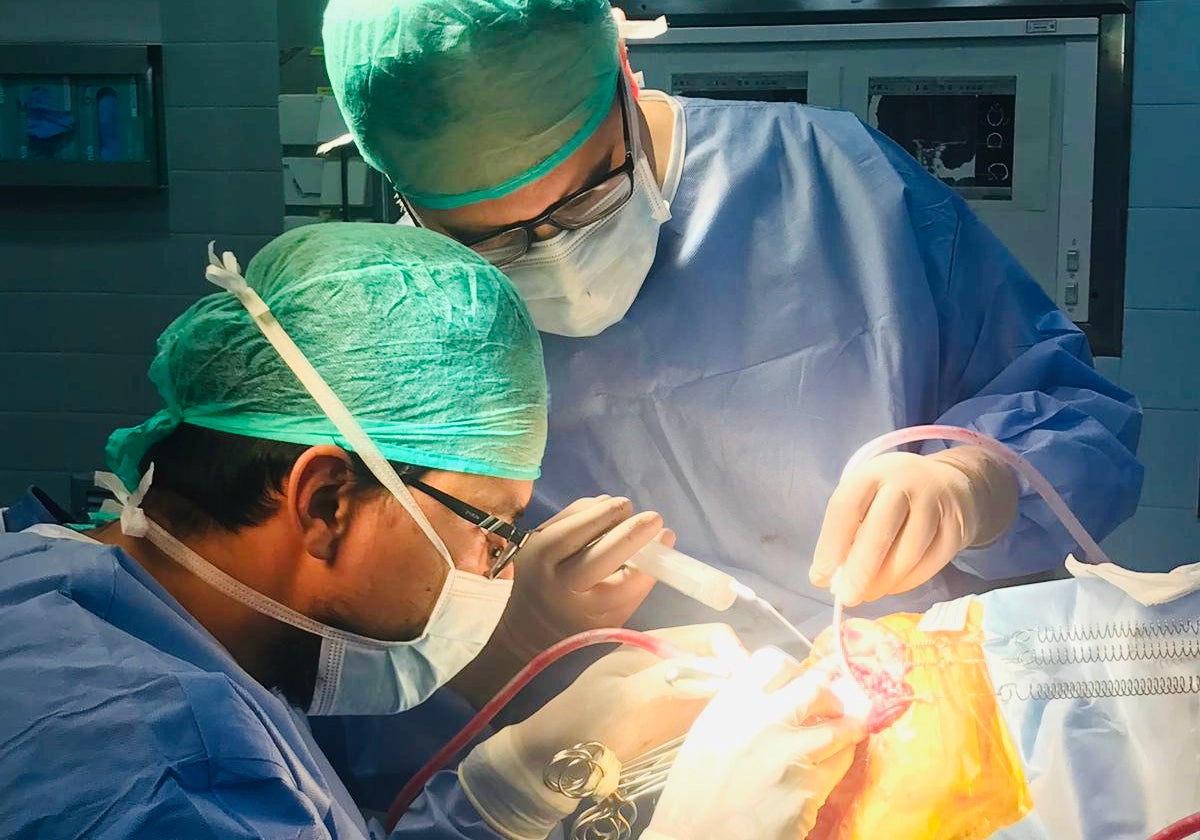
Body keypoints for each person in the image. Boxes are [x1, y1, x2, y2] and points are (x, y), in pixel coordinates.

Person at [0, 223, 865, 840]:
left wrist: (511, 789)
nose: (499, 567)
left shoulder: (62, 594)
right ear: (326, 501)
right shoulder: (157, 776)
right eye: (495, 528)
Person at [321, 0, 1145, 636]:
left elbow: (1078, 415)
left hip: (914, 708)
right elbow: (375, 633)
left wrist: (974, 481)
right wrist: (513, 615)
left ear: (623, 73)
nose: (553, 256)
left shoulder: (834, 179)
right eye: (489, 239)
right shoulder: (407, 325)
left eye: (587, 197)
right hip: (622, 771)